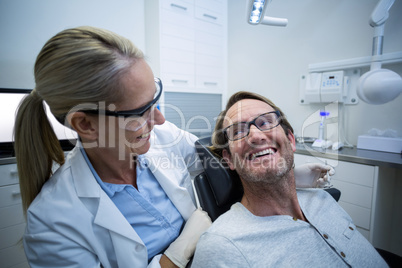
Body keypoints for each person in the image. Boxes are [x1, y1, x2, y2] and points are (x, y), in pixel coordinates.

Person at [14, 27, 334, 268]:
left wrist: (285, 176)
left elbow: (215, 164)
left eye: (155, 98)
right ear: (85, 124)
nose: (161, 117)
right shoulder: (53, 222)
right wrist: (177, 255)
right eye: (140, 111)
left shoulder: (161, 136)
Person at [191, 91, 387, 267]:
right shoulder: (222, 246)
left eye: (265, 122)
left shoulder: (323, 199)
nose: (256, 136)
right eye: (239, 131)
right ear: (229, 159)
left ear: (291, 140)